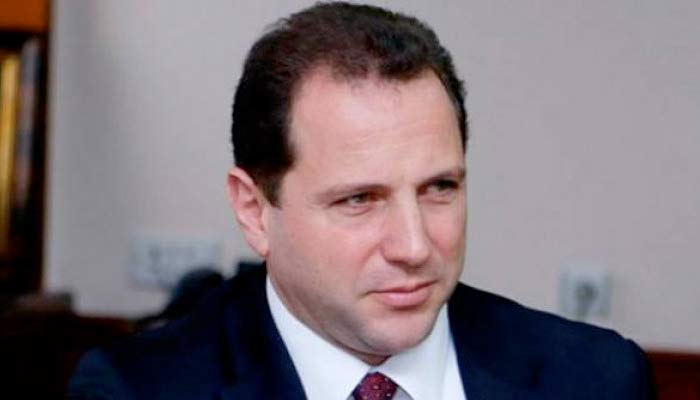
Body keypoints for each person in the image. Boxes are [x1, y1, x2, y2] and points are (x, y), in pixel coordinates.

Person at [69, 2, 656, 399]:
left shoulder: (598, 379)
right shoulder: (137, 389)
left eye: (439, 188)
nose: (414, 246)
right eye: (359, 199)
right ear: (254, 210)